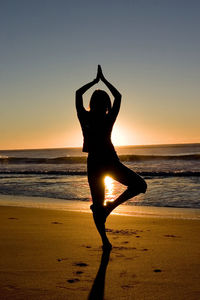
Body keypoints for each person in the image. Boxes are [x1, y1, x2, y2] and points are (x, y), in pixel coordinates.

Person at [76, 65, 147, 250]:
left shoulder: (86, 117)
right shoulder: (105, 118)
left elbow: (77, 93)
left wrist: (94, 81)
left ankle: (106, 232)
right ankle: (108, 218)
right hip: (107, 161)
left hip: (98, 163)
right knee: (139, 186)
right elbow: (119, 97)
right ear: (106, 104)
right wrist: (104, 80)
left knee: (100, 207)